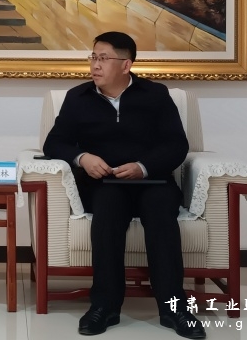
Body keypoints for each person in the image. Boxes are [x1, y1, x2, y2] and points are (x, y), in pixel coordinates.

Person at [43, 31, 206, 339]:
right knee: (107, 212)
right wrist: (83, 158)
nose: (95, 65)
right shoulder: (78, 97)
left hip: (152, 180)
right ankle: (104, 307)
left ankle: (175, 309)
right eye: (93, 57)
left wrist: (143, 167)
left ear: (126, 64)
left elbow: (176, 145)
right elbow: (54, 143)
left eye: (103, 58)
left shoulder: (155, 95)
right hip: (104, 183)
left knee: (161, 213)